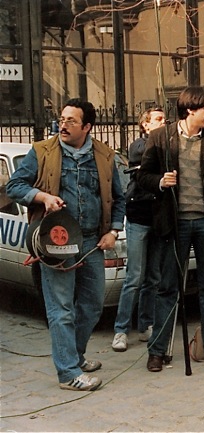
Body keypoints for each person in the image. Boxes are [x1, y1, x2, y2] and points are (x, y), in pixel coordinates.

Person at [7, 98, 126, 391]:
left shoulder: (106, 156)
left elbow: (120, 198)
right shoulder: (41, 151)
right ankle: (68, 373)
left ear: (87, 127)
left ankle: (75, 355)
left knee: (92, 305)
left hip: (91, 241)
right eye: (62, 119)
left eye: (71, 121)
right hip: (55, 240)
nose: (63, 124)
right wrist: (42, 197)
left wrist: (113, 230)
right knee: (61, 308)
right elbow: (13, 187)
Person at [137, 86, 204, 371]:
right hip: (174, 223)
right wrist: (160, 181)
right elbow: (142, 177)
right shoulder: (160, 138)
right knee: (167, 287)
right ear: (190, 109)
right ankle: (158, 350)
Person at [111, 107, 165, 352]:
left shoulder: (164, 144)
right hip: (139, 217)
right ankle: (121, 330)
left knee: (153, 276)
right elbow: (147, 159)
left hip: (158, 218)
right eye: (158, 120)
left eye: (165, 119)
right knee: (134, 276)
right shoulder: (140, 145)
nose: (163, 123)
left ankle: (146, 324)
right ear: (145, 125)